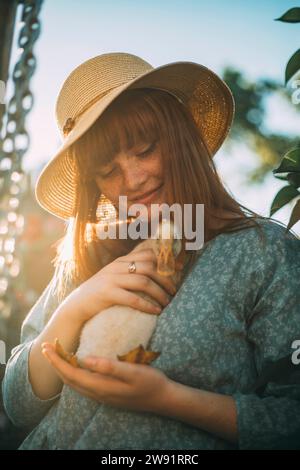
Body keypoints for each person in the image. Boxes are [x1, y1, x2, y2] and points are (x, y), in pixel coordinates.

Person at [2, 52, 300, 450]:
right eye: (108, 171)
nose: (134, 179)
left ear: (180, 139)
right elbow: (18, 404)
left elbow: (291, 418)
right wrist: (75, 306)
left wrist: (167, 399)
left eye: (144, 150)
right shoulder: (88, 258)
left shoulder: (262, 253)